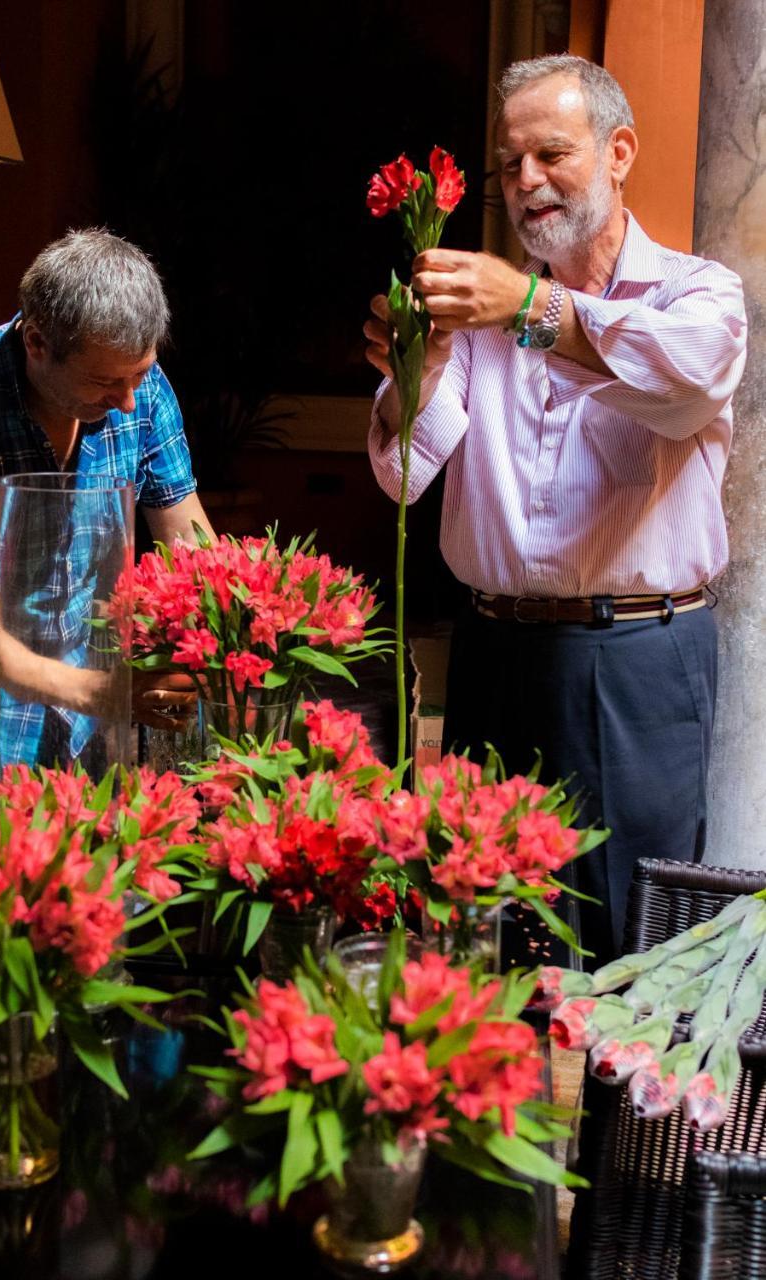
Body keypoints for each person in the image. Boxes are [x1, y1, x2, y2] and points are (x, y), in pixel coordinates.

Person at [364, 55, 747, 965]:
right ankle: (503, 1106)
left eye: (551, 153)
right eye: (508, 164)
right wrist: (400, 372)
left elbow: (682, 384)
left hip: (636, 664)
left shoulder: (696, 293)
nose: (525, 181)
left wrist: (527, 309)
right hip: (494, 653)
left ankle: (620, 1114)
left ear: (617, 152)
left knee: (628, 947)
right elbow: (404, 475)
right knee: (486, 936)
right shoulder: (481, 310)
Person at [0, 228, 215, 815]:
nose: (129, 400)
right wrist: (99, 693)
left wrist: (226, 636)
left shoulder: (134, 379)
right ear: (37, 342)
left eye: (140, 374)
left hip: (79, 728)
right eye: (106, 382)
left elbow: (188, 537)